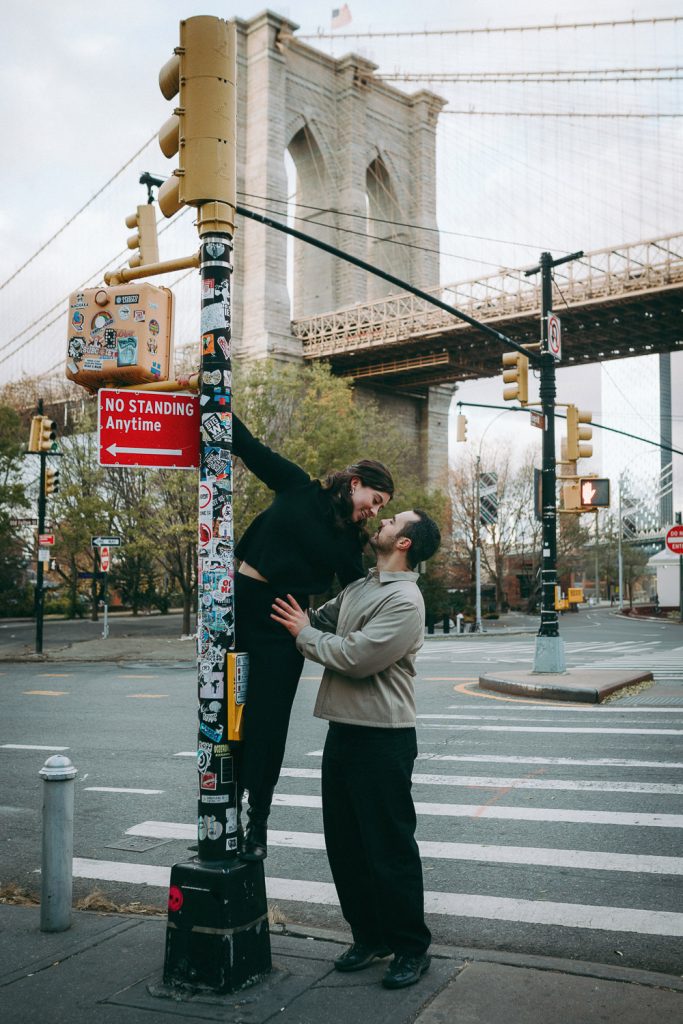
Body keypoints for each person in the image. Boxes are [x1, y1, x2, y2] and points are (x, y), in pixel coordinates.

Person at [271, 508, 441, 990]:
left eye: (393, 522)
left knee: (389, 849)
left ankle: (410, 947)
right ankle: (369, 936)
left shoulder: (405, 600)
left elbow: (356, 657)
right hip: (343, 731)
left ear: (404, 543)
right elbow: (319, 619)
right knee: (345, 845)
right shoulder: (363, 585)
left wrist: (305, 634)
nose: (382, 522)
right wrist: (302, 621)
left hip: (383, 737)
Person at [231, 413, 394, 861]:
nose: (374, 510)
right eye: (374, 499)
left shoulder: (349, 541)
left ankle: (256, 820)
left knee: (267, 722)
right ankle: (221, 810)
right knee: (222, 713)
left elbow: (361, 593)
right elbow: (248, 446)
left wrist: (398, 599)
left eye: (381, 507)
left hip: (284, 627)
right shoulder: (298, 487)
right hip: (236, 608)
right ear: (356, 482)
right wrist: (211, 393)